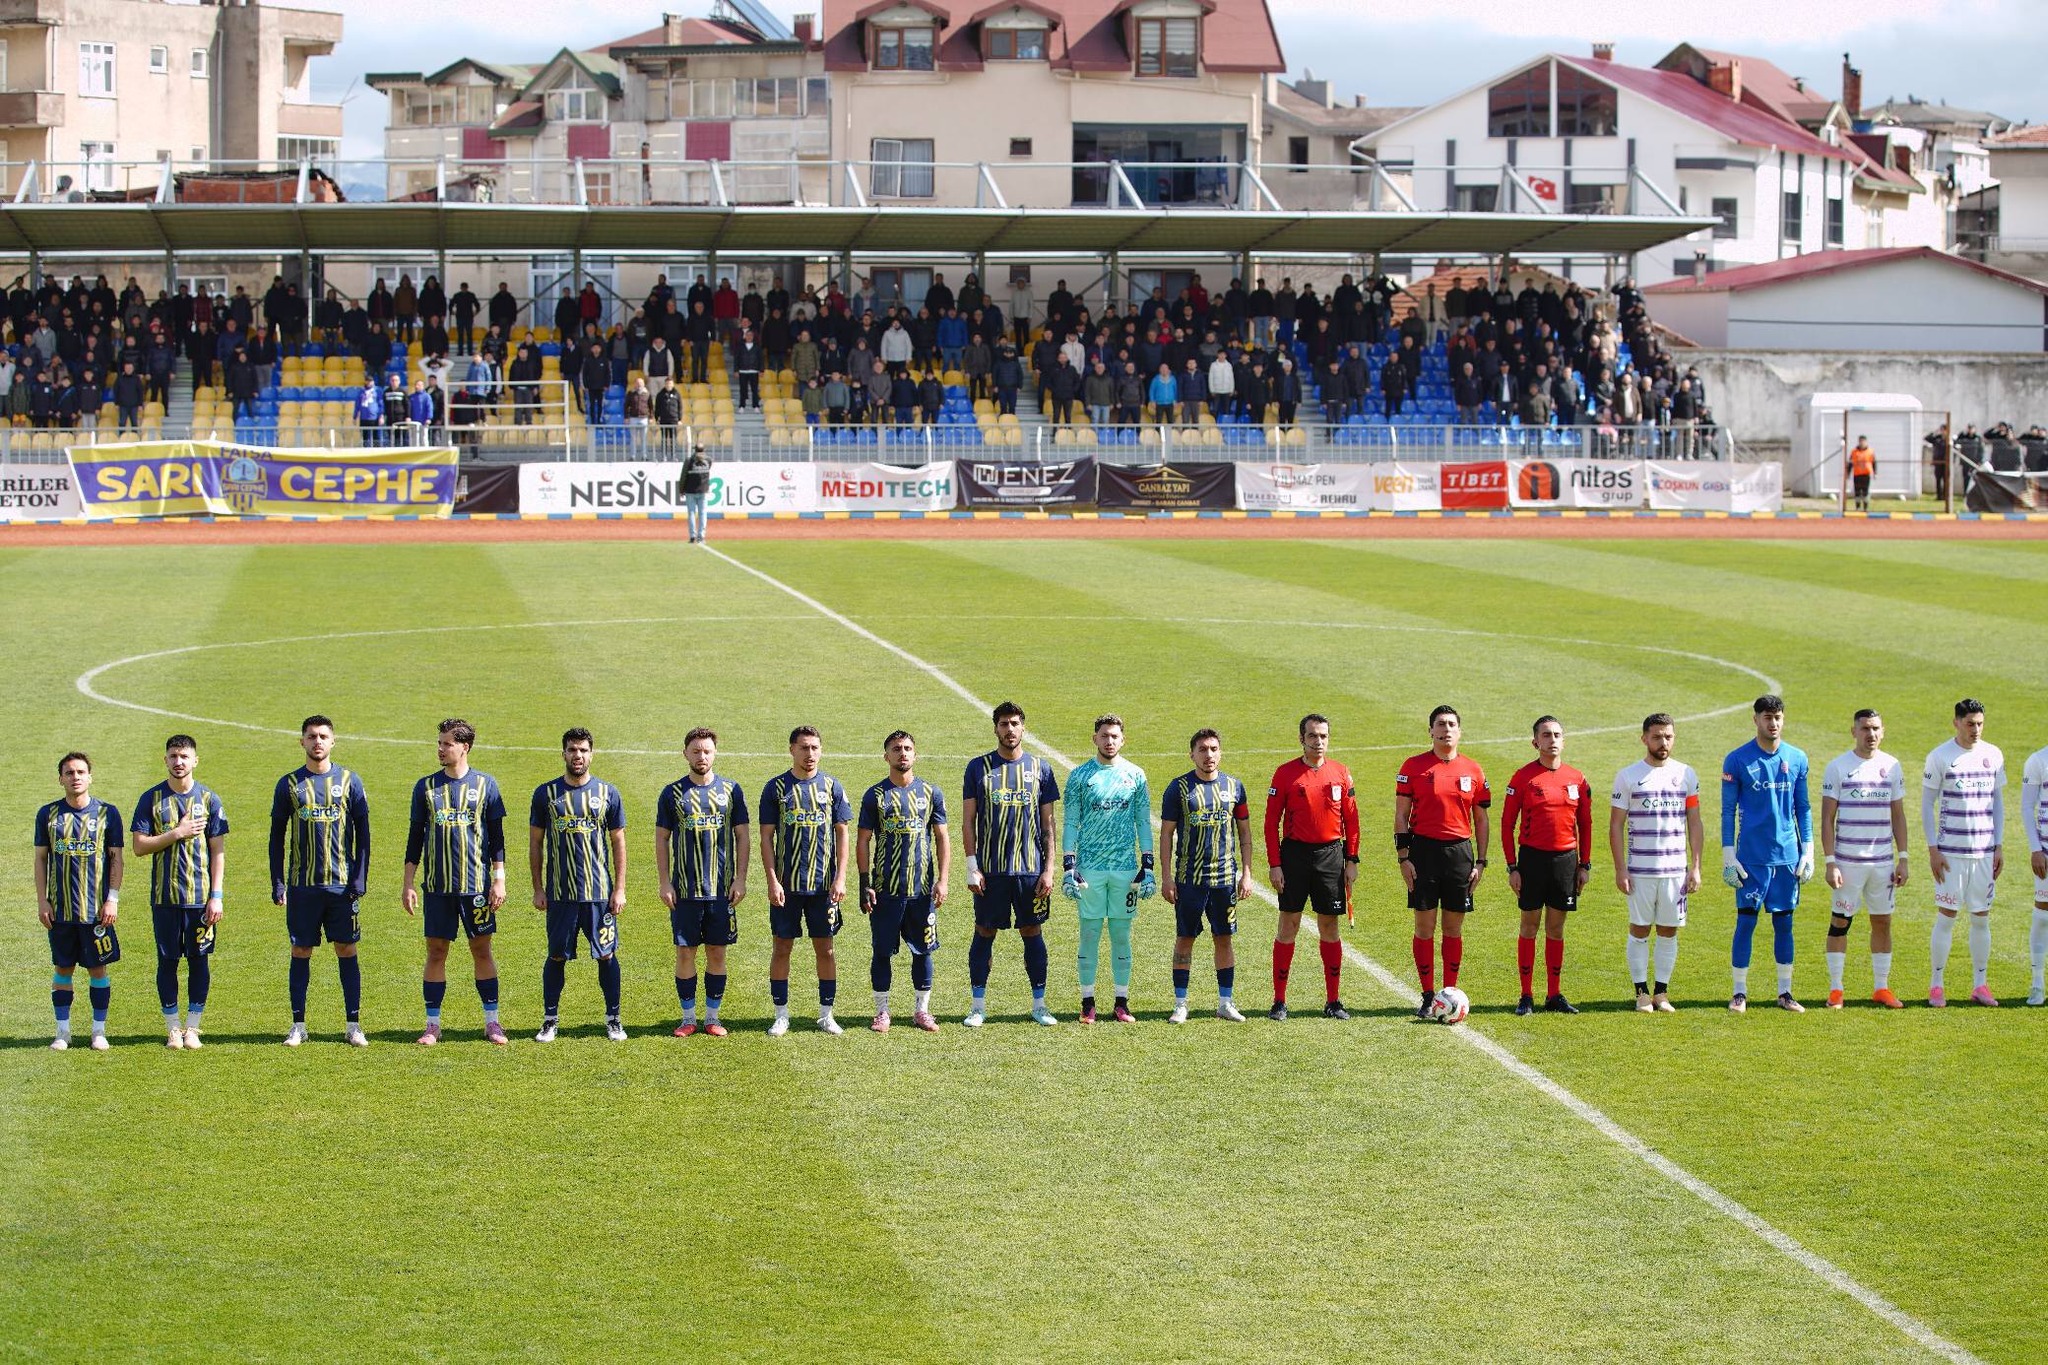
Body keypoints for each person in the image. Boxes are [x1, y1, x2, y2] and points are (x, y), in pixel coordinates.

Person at [401, 719, 508, 1046]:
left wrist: (499, 879)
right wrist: (408, 883)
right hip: (437, 889)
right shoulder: (426, 788)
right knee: (436, 951)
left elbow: (497, 839)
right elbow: (414, 839)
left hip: (476, 888)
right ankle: (432, 1025)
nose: (440, 748)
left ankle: (492, 1022)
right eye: (440, 743)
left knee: (482, 949)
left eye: (447, 744)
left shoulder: (486, 786)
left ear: (465, 747)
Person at [270, 715, 370, 1047]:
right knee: (300, 950)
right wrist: (278, 882)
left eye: (323, 736)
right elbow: (276, 837)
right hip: (302, 886)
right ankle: (298, 1025)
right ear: (302, 742)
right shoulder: (289, 785)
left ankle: (353, 1025)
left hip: (341, 886)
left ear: (333, 741)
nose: (317, 741)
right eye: (311, 736)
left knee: (346, 948)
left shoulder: (350, 781)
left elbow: (364, 835)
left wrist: (360, 878)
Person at [961, 701, 1060, 1027]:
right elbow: (968, 822)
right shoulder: (978, 767)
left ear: (1023, 728)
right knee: (984, 930)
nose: (1009, 730)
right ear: (995, 729)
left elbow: (1048, 825)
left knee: (1032, 930)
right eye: (1003, 724)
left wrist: (1049, 869)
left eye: (1014, 723)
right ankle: (977, 1006)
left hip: (1030, 870)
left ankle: (1039, 1004)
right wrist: (971, 865)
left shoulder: (1041, 769)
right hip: (991, 871)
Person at [529, 727, 627, 1043]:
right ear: (564, 753)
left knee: (606, 955)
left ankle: (613, 1020)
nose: (578, 756)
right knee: (556, 955)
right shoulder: (545, 794)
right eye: (572, 750)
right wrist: (538, 888)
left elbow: (618, 843)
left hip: (599, 895)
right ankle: (549, 1020)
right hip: (560, 895)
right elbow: (536, 844)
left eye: (583, 750)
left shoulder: (608, 793)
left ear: (591, 754)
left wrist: (619, 888)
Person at [130, 734, 227, 1050]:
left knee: (200, 962)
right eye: (173, 756)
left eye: (184, 756)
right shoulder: (151, 799)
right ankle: (173, 1028)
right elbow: (139, 847)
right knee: (167, 961)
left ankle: (193, 1028)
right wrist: (177, 833)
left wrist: (217, 895)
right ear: (165, 760)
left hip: (200, 900)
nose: (178, 762)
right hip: (165, 899)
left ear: (195, 760)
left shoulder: (210, 800)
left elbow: (217, 851)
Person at [1395, 706, 1491, 1019]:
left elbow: (1481, 819)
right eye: (1440, 725)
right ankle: (1426, 995)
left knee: (1453, 927)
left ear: (1459, 732)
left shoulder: (1473, 770)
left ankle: (1448, 992)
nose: (1446, 729)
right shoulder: (1414, 767)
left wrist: (1481, 860)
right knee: (1424, 926)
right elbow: (1401, 816)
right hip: (1423, 853)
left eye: (1451, 724)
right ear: (1431, 731)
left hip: (1460, 854)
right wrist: (1404, 857)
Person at [1721, 694, 1814, 1014]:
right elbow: (1727, 810)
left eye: (1777, 717)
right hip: (1751, 858)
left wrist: (1809, 850)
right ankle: (1739, 993)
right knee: (1745, 923)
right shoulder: (1737, 760)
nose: (1772, 723)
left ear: (1783, 720)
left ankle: (1785, 992)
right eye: (1766, 717)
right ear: (1756, 720)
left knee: (1784, 925)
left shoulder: (1798, 758)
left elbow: (1803, 807)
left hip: (1787, 858)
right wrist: (1728, 855)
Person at [1263, 712, 1359, 1020]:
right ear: (1301, 739)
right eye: (1313, 736)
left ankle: (1333, 1001)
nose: (1319, 741)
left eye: (1323, 736)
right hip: (1294, 857)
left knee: (1329, 926)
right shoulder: (1285, 774)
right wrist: (1275, 864)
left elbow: (1352, 821)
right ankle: (1279, 1001)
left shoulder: (1341, 773)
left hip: (1331, 856)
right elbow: (1269, 823)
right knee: (1288, 924)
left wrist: (1352, 859)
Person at [1061, 715, 1155, 1024]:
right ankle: (1088, 1002)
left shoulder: (1136, 775)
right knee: (1089, 934)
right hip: (1091, 870)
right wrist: (1069, 866)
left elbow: (1143, 821)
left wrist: (1148, 865)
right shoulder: (1080, 776)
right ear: (1095, 739)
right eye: (1104, 736)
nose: (1109, 741)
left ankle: (1121, 1003)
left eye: (1114, 736)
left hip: (1125, 871)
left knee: (1121, 936)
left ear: (1122, 740)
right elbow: (1071, 821)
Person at [657, 727, 749, 1038]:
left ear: (715, 753)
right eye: (696, 751)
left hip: (721, 891)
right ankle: (687, 1018)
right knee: (685, 953)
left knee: (717, 953)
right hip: (684, 891)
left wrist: (740, 878)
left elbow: (742, 836)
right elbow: (662, 839)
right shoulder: (672, 794)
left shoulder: (731, 790)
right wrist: (665, 882)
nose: (702, 756)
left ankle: (712, 1017)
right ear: (685, 754)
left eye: (707, 751)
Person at [759, 726, 852, 1036]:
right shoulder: (776, 788)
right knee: (782, 947)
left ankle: (826, 1014)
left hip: (823, 887)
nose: (809, 754)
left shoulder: (831, 787)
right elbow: (766, 838)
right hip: (787, 886)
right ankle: (781, 1014)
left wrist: (840, 878)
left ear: (821, 750)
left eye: (814, 748)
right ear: (791, 750)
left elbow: (842, 833)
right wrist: (772, 880)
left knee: (825, 949)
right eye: (803, 748)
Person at [856, 730, 950, 1034]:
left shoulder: (931, 793)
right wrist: (864, 882)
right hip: (886, 891)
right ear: (887, 757)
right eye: (896, 749)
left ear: (915, 754)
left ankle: (922, 1010)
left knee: (923, 950)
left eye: (908, 748)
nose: (903, 753)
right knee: (882, 952)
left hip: (921, 890)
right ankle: (882, 1011)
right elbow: (863, 840)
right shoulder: (875, 795)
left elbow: (941, 838)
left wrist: (943, 879)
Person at [1160, 728, 1254, 1024]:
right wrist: (1166, 876)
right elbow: (1166, 835)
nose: (1208, 755)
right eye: (1202, 749)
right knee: (1185, 938)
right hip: (1189, 879)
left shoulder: (1234, 787)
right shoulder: (1179, 788)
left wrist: (1247, 873)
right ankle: (1180, 1003)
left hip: (1225, 879)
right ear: (1192, 754)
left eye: (1213, 749)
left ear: (1220, 752)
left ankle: (1225, 1002)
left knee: (1223, 938)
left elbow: (1245, 834)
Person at [1611, 713, 1703, 1013]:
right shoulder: (1628, 776)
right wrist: (1620, 868)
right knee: (1639, 929)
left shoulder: (1686, 774)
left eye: (1668, 736)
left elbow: (1694, 821)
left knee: (1668, 930)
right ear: (1644, 739)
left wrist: (1696, 866)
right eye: (1657, 736)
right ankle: (1641, 993)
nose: (1663, 742)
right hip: (1640, 871)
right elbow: (1615, 826)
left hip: (1676, 871)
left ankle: (1661, 994)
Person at [1819, 708, 1910, 1010]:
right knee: (1840, 923)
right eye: (1865, 729)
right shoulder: (1838, 767)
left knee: (1882, 923)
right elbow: (1827, 818)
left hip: (1883, 863)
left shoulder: (1892, 766)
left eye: (1876, 729)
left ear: (1883, 731)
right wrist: (1830, 861)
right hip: (1848, 863)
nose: (1871, 735)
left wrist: (1904, 857)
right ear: (1853, 731)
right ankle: (1836, 990)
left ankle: (1881, 988)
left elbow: (1898, 814)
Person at [1501, 716, 1591, 1016]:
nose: (1552, 739)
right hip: (1532, 860)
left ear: (1563, 740)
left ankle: (1554, 995)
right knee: (1529, 927)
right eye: (1546, 735)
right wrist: (1512, 867)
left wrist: (1584, 865)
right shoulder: (1523, 778)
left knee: (1556, 928)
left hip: (1566, 862)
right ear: (1535, 742)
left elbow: (1586, 824)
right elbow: (1506, 824)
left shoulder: (1577, 779)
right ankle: (1526, 995)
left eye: (1557, 734)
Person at [36, 752, 123, 1051]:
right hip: (60, 910)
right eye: (69, 772)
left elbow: (116, 859)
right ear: (60, 778)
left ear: (90, 776)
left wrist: (112, 900)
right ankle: (63, 1032)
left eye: (80, 772)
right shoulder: (47, 814)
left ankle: (98, 1031)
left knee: (98, 970)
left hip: (97, 912)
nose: (75, 777)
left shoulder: (108, 813)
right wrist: (42, 901)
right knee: (63, 969)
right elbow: (40, 859)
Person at [1922, 699, 2005, 1007]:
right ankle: (1936, 985)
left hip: (1983, 853)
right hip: (1951, 854)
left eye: (1980, 723)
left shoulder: (1993, 754)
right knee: (1946, 917)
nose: (1976, 730)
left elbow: (1997, 802)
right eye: (1970, 724)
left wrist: (1999, 845)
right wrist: (1933, 849)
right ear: (1956, 722)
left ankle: (1980, 985)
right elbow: (1926, 806)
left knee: (1981, 919)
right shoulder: (1940, 756)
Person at [2023, 736, 2048, 1007]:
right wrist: (2035, 849)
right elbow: (2027, 806)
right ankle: (2037, 984)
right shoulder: (2039, 760)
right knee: (2042, 916)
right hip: (2047, 854)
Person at [679, 444, 712, 544]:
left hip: (690, 490)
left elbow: (683, 475)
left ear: (695, 450)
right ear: (704, 450)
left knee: (691, 513)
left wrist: (681, 489)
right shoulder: (709, 460)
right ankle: (701, 536)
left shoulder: (689, 460)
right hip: (703, 490)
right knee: (703, 513)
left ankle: (692, 536)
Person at [1848, 435, 1877, 511]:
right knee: (1857, 491)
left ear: (1866, 442)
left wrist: (1875, 473)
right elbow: (1850, 463)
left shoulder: (1870, 451)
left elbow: (1874, 463)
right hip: (1857, 474)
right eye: (1860, 441)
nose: (1862, 443)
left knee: (1865, 491)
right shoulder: (1854, 452)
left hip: (1866, 474)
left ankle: (1865, 508)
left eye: (1863, 441)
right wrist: (1848, 473)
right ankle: (1857, 507)